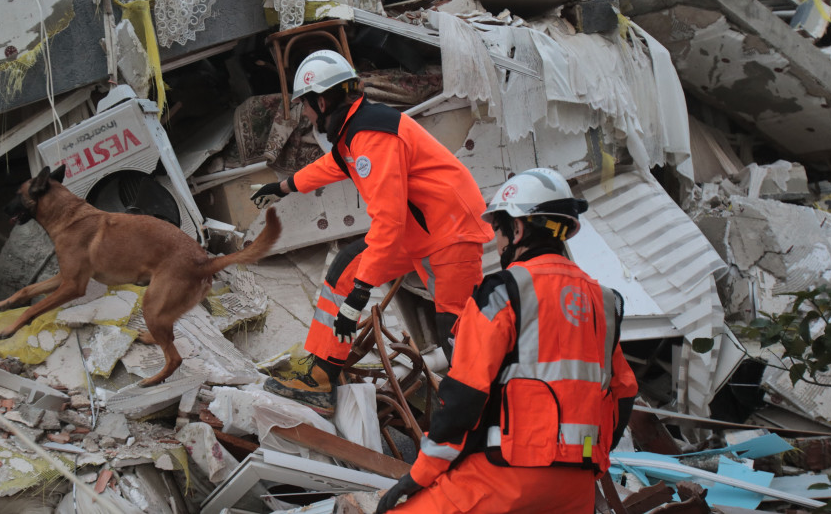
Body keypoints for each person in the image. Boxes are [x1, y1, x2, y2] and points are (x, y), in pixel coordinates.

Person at [374, 168, 639, 513]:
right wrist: (588, 461)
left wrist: (420, 475)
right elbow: (624, 393)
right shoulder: (604, 302)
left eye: (497, 231)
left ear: (517, 228)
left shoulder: (502, 292)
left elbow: (464, 397)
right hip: (577, 488)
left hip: (506, 478)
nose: (496, 243)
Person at [251, 49, 493, 416]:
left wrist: (362, 293)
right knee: (345, 268)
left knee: (456, 331)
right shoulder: (355, 130)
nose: (304, 114)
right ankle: (320, 376)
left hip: (449, 233)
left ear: (321, 99)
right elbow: (335, 165)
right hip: (423, 230)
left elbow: (389, 220)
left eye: (305, 105)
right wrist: (285, 187)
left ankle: (479, 416)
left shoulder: (372, 136)